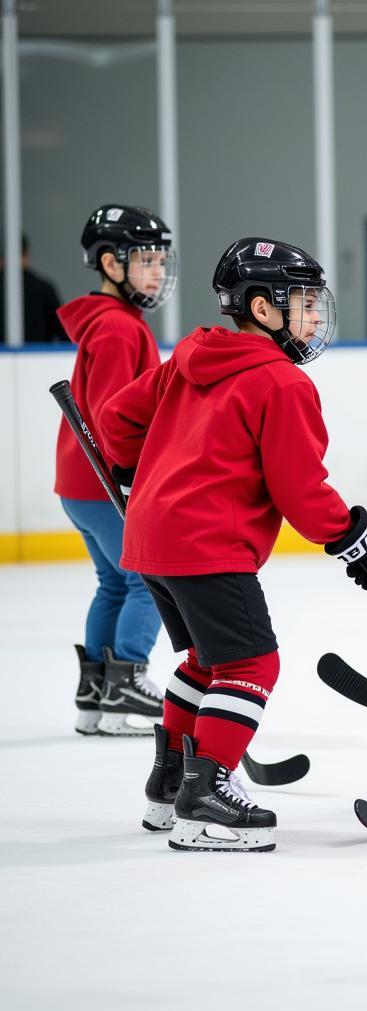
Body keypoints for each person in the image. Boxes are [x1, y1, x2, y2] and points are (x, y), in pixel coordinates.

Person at [99, 237, 367, 853]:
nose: (316, 317)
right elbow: (298, 486)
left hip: (153, 536)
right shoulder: (281, 383)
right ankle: (206, 796)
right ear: (262, 308)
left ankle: (170, 781)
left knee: (207, 663)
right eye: (305, 303)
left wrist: (140, 473)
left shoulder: (188, 358)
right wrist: (353, 538)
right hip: (207, 546)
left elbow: (114, 420)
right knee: (252, 665)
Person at [55, 205, 176, 737]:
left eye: (160, 260)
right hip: (102, 483)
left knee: (112, 583)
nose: (156, 271)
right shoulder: (118, 329)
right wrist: (129, 472)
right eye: (145, 259)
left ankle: (95, 694)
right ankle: (127, 680)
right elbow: (111, 415)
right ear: (109, 262)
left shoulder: (113, 324)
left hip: (79, 484)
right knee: (150, 578)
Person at [0, 233, 68, 342]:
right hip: (39, 358)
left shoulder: (43, 289)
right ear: (26, 255)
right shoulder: (44, 288)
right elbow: (65, 336)